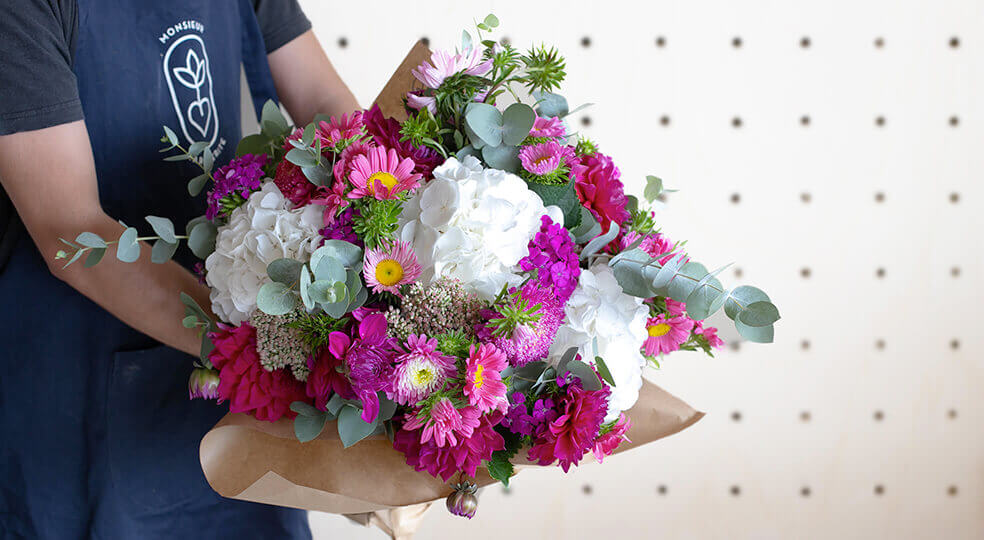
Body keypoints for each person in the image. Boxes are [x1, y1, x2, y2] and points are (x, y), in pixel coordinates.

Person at [0, 1, 359, 538]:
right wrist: (267, 352)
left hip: (242, 386)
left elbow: (325, 105)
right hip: (81, 389)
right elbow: (71, 229)